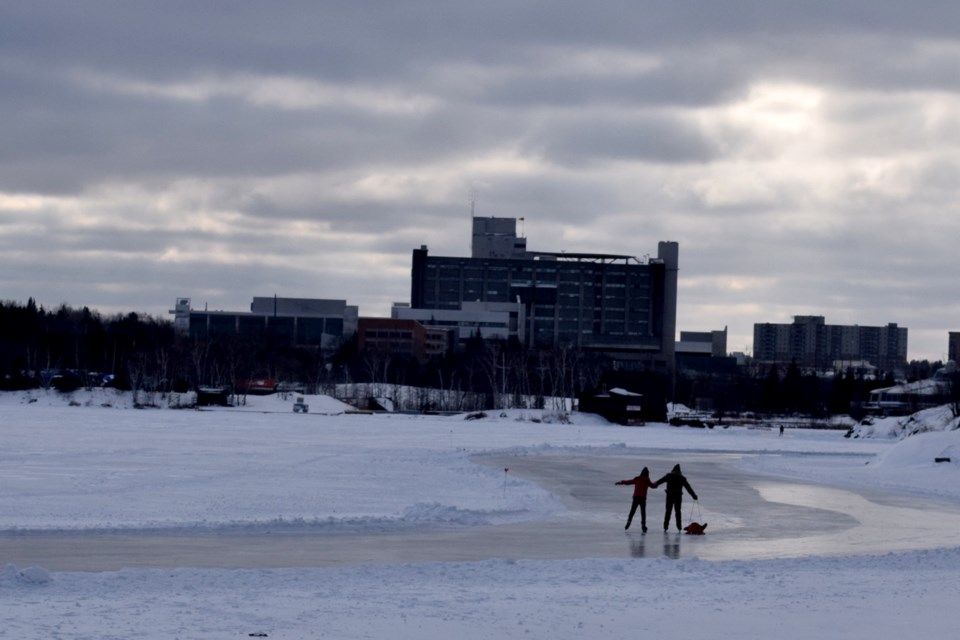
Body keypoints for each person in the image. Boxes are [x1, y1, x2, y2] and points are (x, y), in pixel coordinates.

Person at [653, 464, 698, 532]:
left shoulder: (669, 476)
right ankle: (679, 527)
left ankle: (665, 527)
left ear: (673, 470)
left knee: (668, 511)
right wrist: (694, 496)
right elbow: (688, 488)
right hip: (678, 496)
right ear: (680, 471)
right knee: (678, 512)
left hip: (669, 496)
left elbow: (660, 481)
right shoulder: (682, 478)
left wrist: (654, 484)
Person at [615, 467, 656, 532]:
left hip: (636, 497)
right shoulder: (647, 480)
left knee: (632, 511)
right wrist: (657, 484)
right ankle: (643, 525)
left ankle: (628, 522)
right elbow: (653, 486)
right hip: (642, 498)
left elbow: (629, 482)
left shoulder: (637, 479)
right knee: (643, 512)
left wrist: (621, 482)